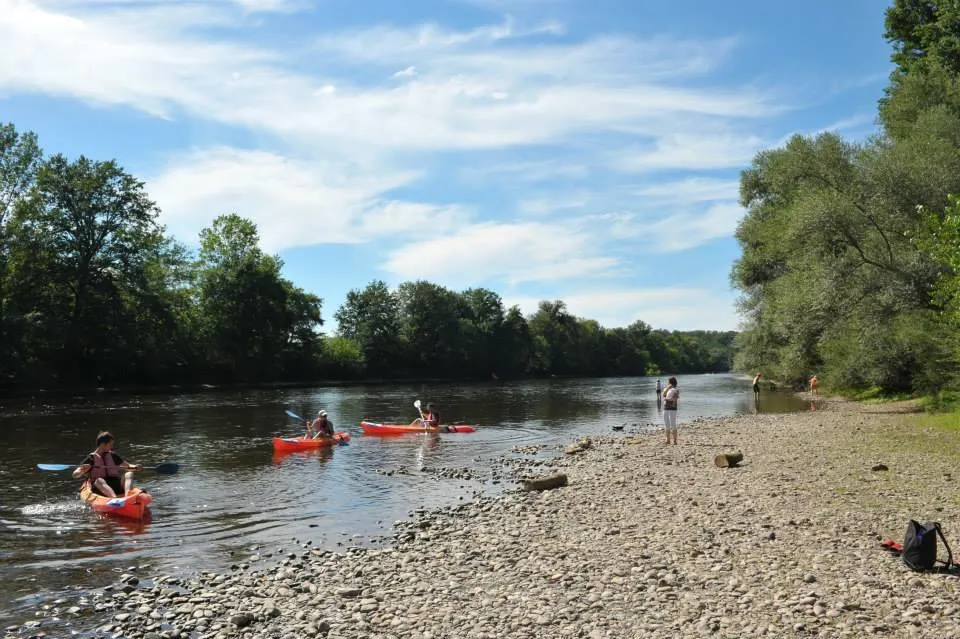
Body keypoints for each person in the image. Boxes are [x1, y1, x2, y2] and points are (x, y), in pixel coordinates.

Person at [72, 431, 140, 498]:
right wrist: (82, 470)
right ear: (103, 444)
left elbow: (128, 466)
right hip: (100, 489)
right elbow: (75, 475)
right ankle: (114, 499)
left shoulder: (113, 455)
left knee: (129, 474)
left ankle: (128, 495)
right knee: (99, 480)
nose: (112, 447)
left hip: (116, 485)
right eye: (110, 444)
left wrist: (135, 467)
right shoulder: (91, 458)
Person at [661, 377, 679, 445]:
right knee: (666, 424)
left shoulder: (676, 390)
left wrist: (667, 399)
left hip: (672, 409)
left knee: (673, 424)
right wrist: (667, 388)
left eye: (668, 381)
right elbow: (663, 395)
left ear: (671, 382)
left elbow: (675, 399)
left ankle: (675, 441)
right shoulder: (666, 389)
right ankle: (668, 440)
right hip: (665, 408)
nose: (667, 383)